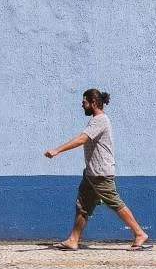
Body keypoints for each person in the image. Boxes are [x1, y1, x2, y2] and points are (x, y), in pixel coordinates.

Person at [45, 90, 149, 251]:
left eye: (84, 102)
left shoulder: (100, 120)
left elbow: (82, 139)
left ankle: (139, 233)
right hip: (91, 174)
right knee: (83, 206)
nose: (82, 105)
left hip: (100, 173)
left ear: (93, 102)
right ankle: (73, 240)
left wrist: (57, 150)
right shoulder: (96, 120)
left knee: (114, 202)